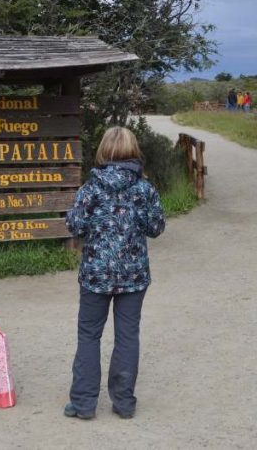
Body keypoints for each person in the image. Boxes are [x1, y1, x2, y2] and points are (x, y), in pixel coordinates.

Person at [64, 126, 166, 420]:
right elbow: (156, 228)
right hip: (134, 277)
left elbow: (75, 226)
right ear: (133, 151)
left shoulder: (90, 189)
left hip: (95, 275)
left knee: (88, 336)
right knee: (127, 336)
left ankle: (83, 404)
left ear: (104, 151)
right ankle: (123, 403)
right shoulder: (144, 189)